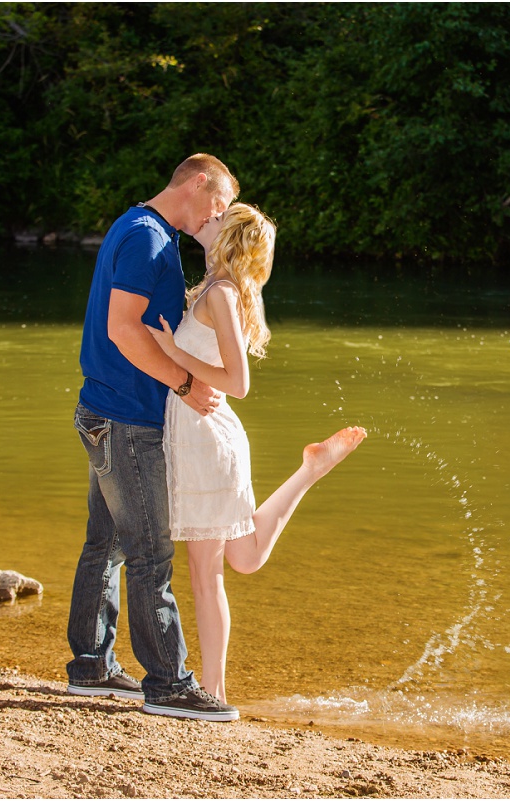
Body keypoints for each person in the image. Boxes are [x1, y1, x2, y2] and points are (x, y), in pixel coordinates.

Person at [146, 202, 367, 706]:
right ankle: (310, 470)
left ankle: (214, 693)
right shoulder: (214, 289)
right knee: (242, 558)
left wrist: (170, 351)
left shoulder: (222, 293)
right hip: (202, 435)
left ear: (231, 238)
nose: (211, 215)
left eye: (222, 217)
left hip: (207, 438)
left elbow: (238, 384)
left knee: (209, 572)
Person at [66, 153, 240, 722]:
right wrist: (186, 383)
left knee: (107, 543)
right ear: (197, 184)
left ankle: (92, 668)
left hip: (106, 410)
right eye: (218, 204)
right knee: (149, 553)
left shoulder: (138, 227)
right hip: (126, 417)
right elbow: (122, 330)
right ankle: (167, 682)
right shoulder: (148, 238)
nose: (216, 218)